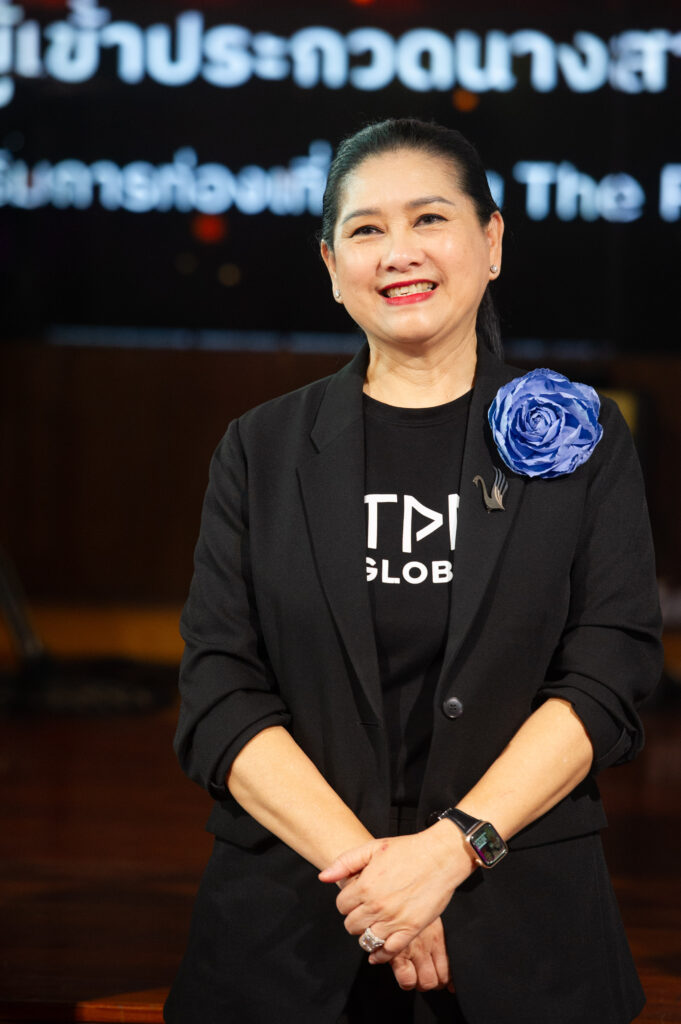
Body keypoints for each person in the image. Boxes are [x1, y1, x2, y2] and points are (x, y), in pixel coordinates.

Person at [163, 119, 662, 1024]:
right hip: (293, 930)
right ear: (330, 264)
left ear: (491, 241)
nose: (398, 252)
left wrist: (446, 852)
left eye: (429, 218)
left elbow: (609, 673)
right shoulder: (260, 448)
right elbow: (219, 693)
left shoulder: (582, 438)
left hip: (520, 933)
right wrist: (380, 885)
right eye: (365, 229)